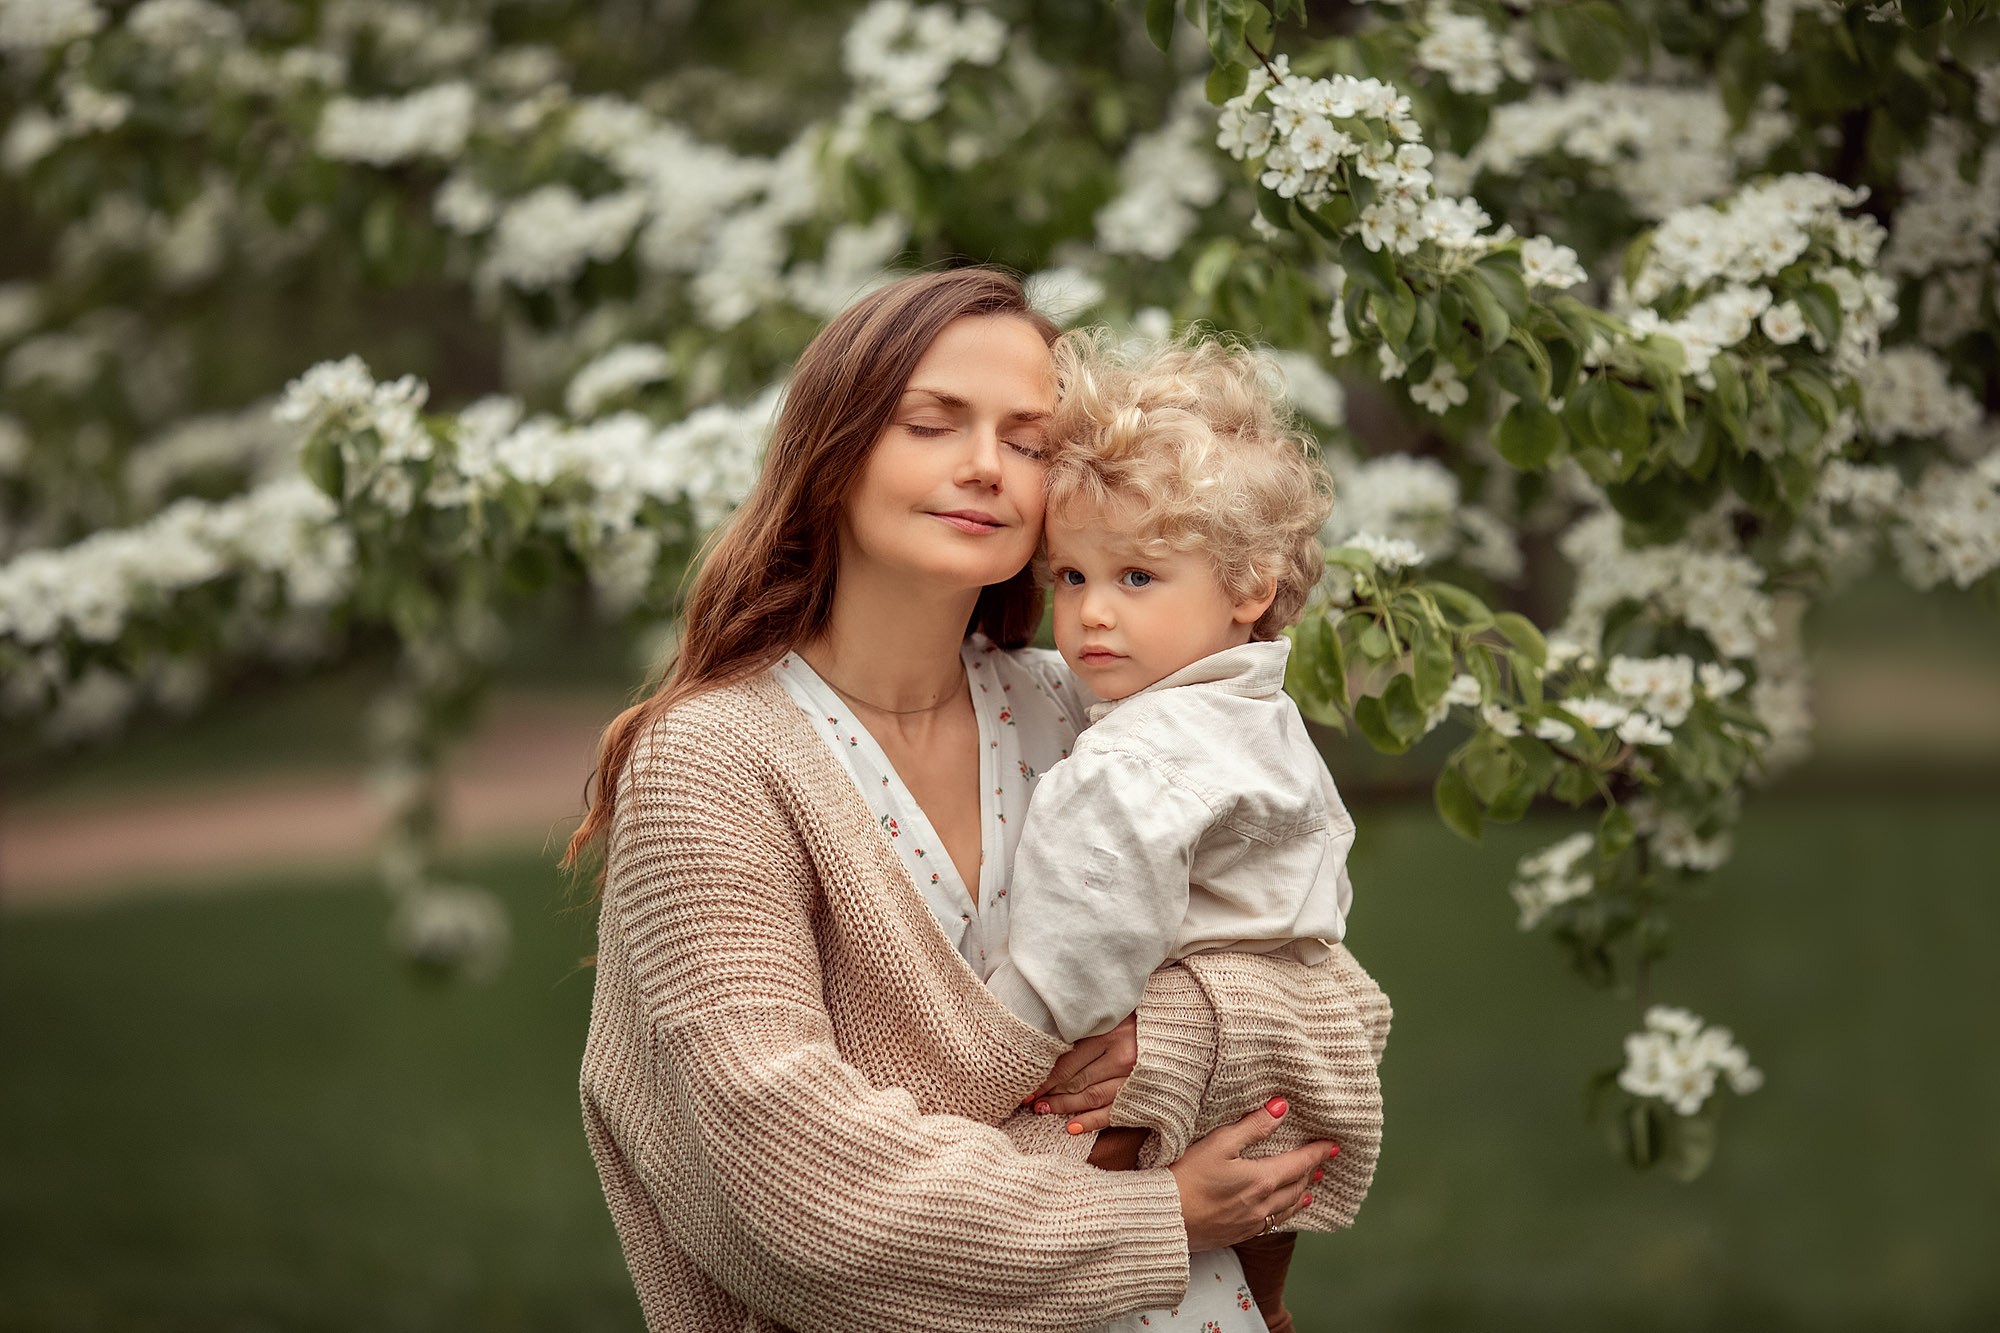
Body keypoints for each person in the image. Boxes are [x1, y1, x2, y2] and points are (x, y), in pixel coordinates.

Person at [564, 267, 1386, 1332]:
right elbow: (792, 1189)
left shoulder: (1086, 711)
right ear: (835, 450)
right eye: (931, 422)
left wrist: (1167, 1039)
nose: (986, 467)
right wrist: (1159, 1212)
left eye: (1029, 439)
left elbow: (1340, 1009)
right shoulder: (714, 760)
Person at [983, 329, 1354, 1333]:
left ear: (1248, 588)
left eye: (1137, 578)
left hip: (1143, 1103)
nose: (1091, 616)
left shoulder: (1127, 764)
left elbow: (1077, 960)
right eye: (1069, 578)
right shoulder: (1259, 717)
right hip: (1282, 1084)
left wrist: (990, 1052)